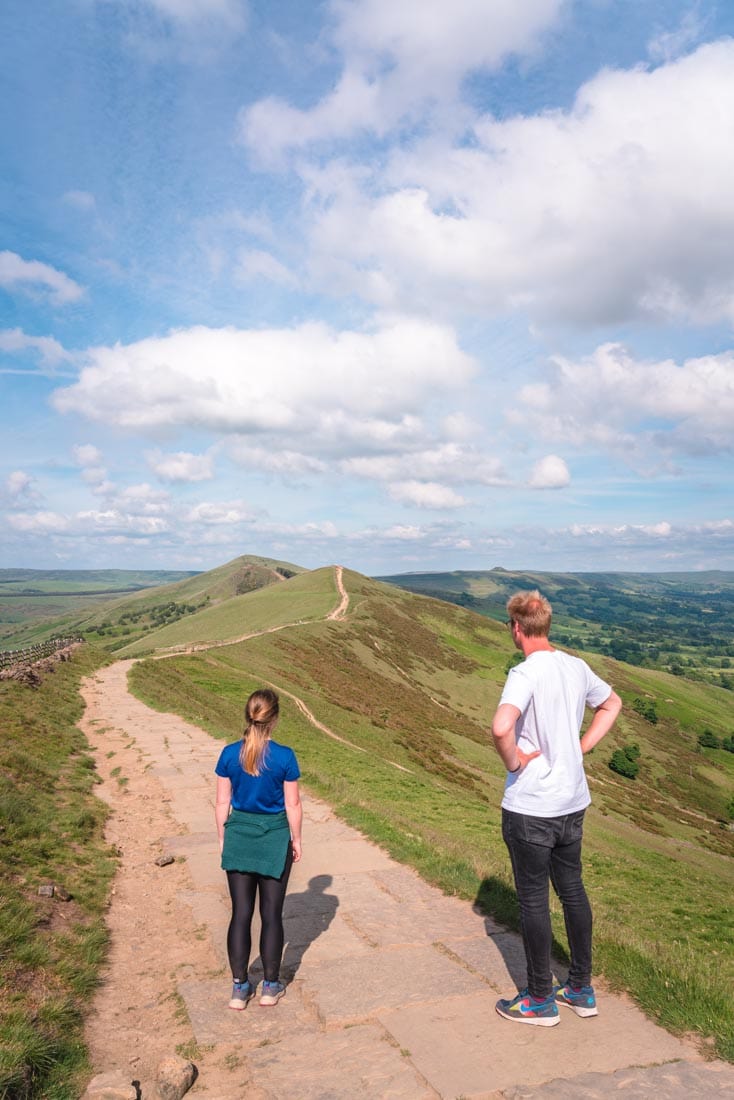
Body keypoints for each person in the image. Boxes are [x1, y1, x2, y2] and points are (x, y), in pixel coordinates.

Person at [491, 590, 621, 1026]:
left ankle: (540, 1000)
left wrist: (514, 761)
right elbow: (611, 703)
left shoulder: (524, 672)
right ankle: (581, 989)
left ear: (516, 628)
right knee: (572, 891)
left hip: (532, 805)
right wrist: (579, 748)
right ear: (546, 624)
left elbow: (501, 726)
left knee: (532, 901)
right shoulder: (575, 666)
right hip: (572, 800)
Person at [215, 688, 302, 1009]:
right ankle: (270, 985)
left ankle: (239, 988)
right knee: (271, 915)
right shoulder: (284, 757)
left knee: (240, 914)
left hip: (238, 835)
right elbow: (292, 804)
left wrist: (225, 837)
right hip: (274, 839)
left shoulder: (228, 754)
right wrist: (297, 839)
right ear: (274, 719)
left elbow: (223, 801)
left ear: (248, 716)